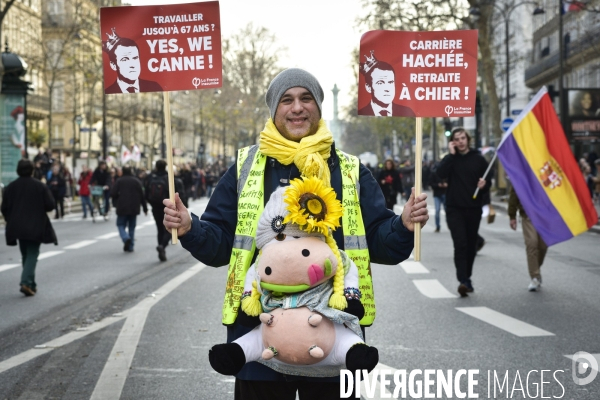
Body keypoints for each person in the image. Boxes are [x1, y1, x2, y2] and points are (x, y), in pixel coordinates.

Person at [163, 68, 429, 399]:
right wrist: (191, 228)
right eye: (286, 100)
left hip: (333, 337)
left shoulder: (348, 169)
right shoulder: (246, 167)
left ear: (319, 106)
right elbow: (220, 246)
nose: (297, 107)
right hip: (259, 336)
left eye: (306, 99)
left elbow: (378, 241)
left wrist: (403, 225)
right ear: (274, 110)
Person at [435, 127, 490, 297]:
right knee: (460, 244)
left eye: (463, 138)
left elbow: (488, 178)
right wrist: (450, 155)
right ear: (453, 142)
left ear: (468, 139)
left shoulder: (478, 159)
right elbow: (440, 173)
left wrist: (484, 185)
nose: (460, 141)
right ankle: (462, 280)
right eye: (456, 139)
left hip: (473, 208)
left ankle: (468, 277)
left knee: (471, 245)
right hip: (454, 208)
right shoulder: (451, 159)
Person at [1, 159, 57, 296]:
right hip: (35, 225)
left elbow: (4, 208)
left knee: (25, 253)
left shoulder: (10, 187)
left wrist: (11, 219)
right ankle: (26, 282)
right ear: (32, 170)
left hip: (17, 226)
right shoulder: (39, 186)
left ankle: (31, 284)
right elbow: (50, 205)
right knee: (32, 253)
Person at [508, 187, 547, 291]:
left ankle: (535, 268)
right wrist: (512, 215)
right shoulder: (522, 172)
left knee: (543, 246)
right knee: (532, 243)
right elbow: (515, 192)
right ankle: (535, 276)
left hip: (544, 214)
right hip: (528, 215)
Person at [102, 28, 163, 94]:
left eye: (135, 58)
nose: (132, 65)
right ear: (113, 65)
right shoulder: (110, 91)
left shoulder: (155, 87)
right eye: (125, 59)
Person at [145, 160, 184, 261]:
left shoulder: (151, 177)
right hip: (168, 206)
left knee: (159, 228)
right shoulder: (169, 178)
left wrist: (151, 203)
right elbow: (177, 192)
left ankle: (160, 246)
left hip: (155, 207)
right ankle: (162, 246)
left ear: (156, 167)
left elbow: (146, 191)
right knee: (169, 228)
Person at [358, 50, 415, 117]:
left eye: (390, 82)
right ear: (368, 87)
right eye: (380, 83)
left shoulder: (407, 112)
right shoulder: (362, 114)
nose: (387, 89)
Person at [111, 166, 147, 252]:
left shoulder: (119, 181)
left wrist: (115, 202)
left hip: (122, 207)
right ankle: (131, 246)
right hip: (134, 208)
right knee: (132, 227)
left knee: (120, 224)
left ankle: (125, 237)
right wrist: (145, 208)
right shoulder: (136, 181)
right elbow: (142, 195)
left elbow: (113, 193)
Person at [429, 160, 447, 233]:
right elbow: (431, 183)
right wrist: (437, 185)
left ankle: (450, 224)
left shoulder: (446, 173)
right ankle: (437, 226)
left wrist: (446, 184)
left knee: (448, 210)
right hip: (437, 194)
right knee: (437, 210)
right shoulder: (434, 173)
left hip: (445, 193)